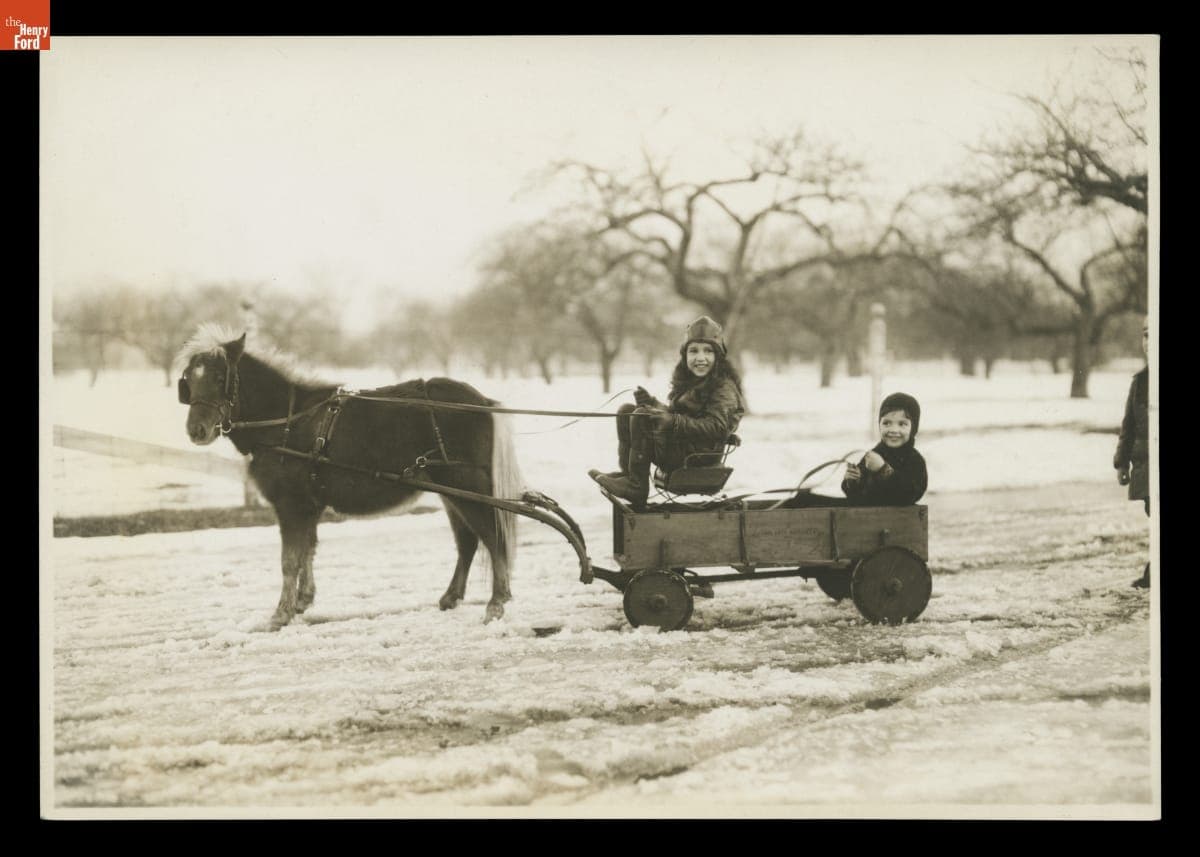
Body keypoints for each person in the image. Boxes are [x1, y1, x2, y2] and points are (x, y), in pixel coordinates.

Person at [590, 315, 746, 510]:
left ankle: (637, 488)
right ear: (685, 355)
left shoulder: (723, 388)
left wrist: (673, 421)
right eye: (693, 351)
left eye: (708, 351)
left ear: (718, 357)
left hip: (698, 456)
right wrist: (653, 404)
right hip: (683, 447)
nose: (700, 358)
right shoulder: (691, 383)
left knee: (640, 417)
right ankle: (629, 476)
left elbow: (718, 427)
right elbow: (678, 414)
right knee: (627, 412)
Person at [841, 392, 928, 506]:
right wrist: (852, 481)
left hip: (897, 519)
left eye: (902, 424)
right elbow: (856, 496)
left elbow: (911, 494)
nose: (893, 430)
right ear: (879, 425)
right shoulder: (875, 454)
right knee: (812, 500)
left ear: (913, 428)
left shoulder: (914, 459)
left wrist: (883, 470)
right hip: (867, 517)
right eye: (887, 423)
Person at [1115, 317, 1150, 588]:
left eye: (1153, 335)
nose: (1148, 343)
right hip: (1146, 466)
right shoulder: (1140, 381)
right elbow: (1128, 424)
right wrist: (1121, 462)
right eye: (1145, 335)